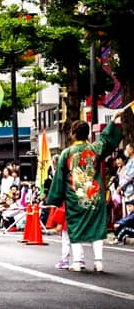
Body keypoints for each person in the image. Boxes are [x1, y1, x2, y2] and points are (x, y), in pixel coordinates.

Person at [47, 112, 124, 273]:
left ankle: (76, 261)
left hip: (75, 197)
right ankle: (98, 262)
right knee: (97, 227)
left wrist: (55, 197)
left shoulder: (67, 153)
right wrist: (115, 118)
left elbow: (59, 178)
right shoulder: (94, 148)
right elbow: (105, 139)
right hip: (95, 195)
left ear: (74, 134)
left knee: (75, 227)